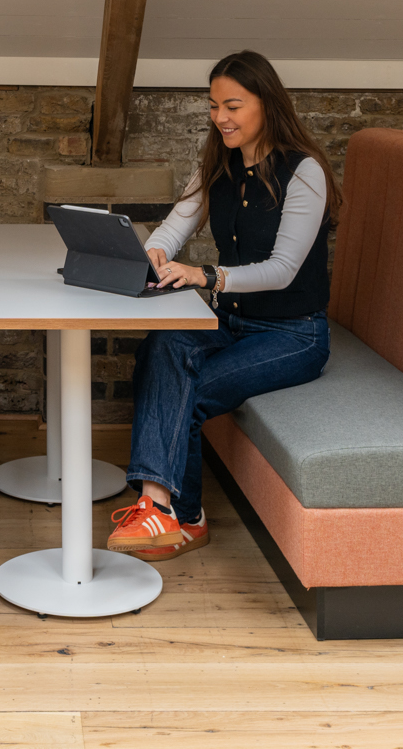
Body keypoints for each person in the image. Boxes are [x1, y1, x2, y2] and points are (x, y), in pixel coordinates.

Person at [106, 50, 338, 561]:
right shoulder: (218, 162)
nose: (220, 118)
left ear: (267, 103)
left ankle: (176, 516)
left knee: (182, 389)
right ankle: (166, 512)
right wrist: (153, 251)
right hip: (230, 320)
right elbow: (176, 223)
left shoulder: (304, 173)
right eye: (213, 106)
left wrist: (206, 274)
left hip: (292, 334)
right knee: (163, 347)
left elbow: (283, 269)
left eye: (232, 105)